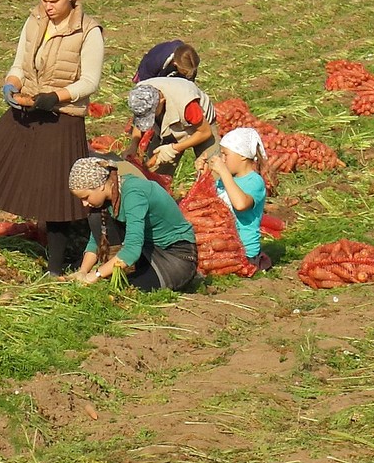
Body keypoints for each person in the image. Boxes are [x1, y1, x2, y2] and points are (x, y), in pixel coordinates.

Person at [0, 0, 106, 273]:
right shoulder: (35, 19)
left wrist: (58, 96)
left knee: (56, 199)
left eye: (54, 1)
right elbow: (19, 63)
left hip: (61, 117)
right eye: (44, 1)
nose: (48, 7)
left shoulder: (89, 31)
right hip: (26, 108)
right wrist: (11, 82)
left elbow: (90, 82)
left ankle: (54, 269)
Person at [68, 155, 198, 292]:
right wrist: (83, 271)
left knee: (128, 288)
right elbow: (96, 239)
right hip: (147, 249)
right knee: (95, 217)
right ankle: (117, 270)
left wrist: (96, 275)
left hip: (175, 256)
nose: (84, 203)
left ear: (100, 186)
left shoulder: (133, 193)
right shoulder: (109, 196)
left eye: (85, 197)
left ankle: (120, 272)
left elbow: (132, 249)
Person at [129, 41, 215, 175]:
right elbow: (139, 121)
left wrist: (174, 148)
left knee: (212, 172)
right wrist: (133, 146)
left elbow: (205, 132)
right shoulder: (142, 92)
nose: (150, 119)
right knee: (153, 175)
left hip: (200, 126)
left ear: (162, 100)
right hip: (169, 128)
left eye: (152, 115)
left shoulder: (186, 103)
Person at [206, 125, 271, 271]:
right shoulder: (225, 180)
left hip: (245, 252)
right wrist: (203, 173)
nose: (222, 159)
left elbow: (240, 204)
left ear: (242, 156)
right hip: (224, 246)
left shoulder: (254, 182)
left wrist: (223, 173)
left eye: (226, 155)